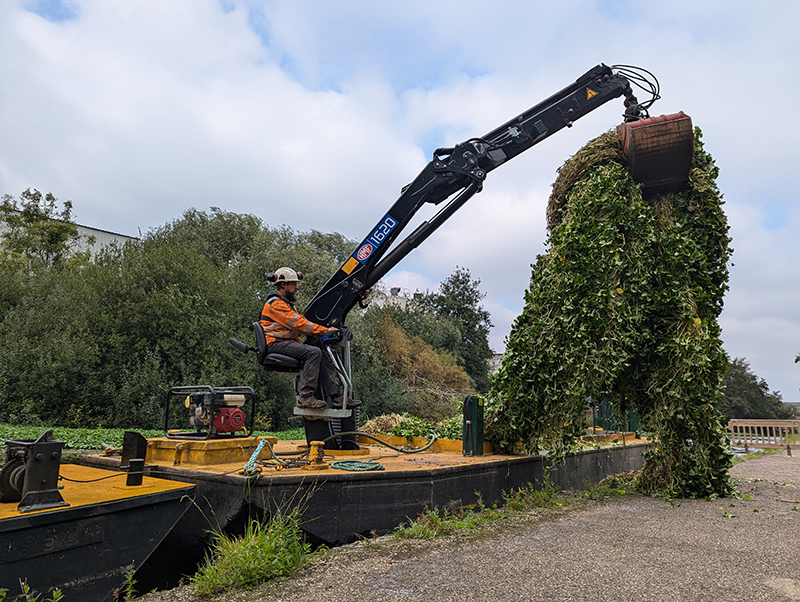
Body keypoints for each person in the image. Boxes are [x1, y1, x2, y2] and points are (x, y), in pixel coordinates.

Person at [260, 267, 359, 409]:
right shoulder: (276, 304)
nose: (296, 288)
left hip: (285, 344)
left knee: (320, 349)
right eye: (293, 284)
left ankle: (337, 396)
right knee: (314, 352)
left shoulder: (286, 304)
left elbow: (302, 322)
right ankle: (305, 397)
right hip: (276, 344)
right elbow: (300, 325)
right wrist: (325, 331)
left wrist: (323, 333)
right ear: (283, 285)